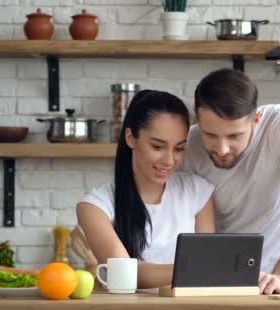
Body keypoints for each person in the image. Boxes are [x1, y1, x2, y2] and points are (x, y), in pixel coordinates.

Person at [182, 68, 280, 294]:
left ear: (256, 119)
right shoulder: (187, 144)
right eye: (211, 135)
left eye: (234, 136)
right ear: (198, 119)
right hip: (223, 286)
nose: (222, 149)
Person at [77, 90, 215, 289]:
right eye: (158, 147)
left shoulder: (199, 193)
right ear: (131, 137)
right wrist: (195, 270)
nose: (169, 161)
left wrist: (204, 269)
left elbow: (209, 271)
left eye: (179, 148)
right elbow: (122, 275)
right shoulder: (94, 206)